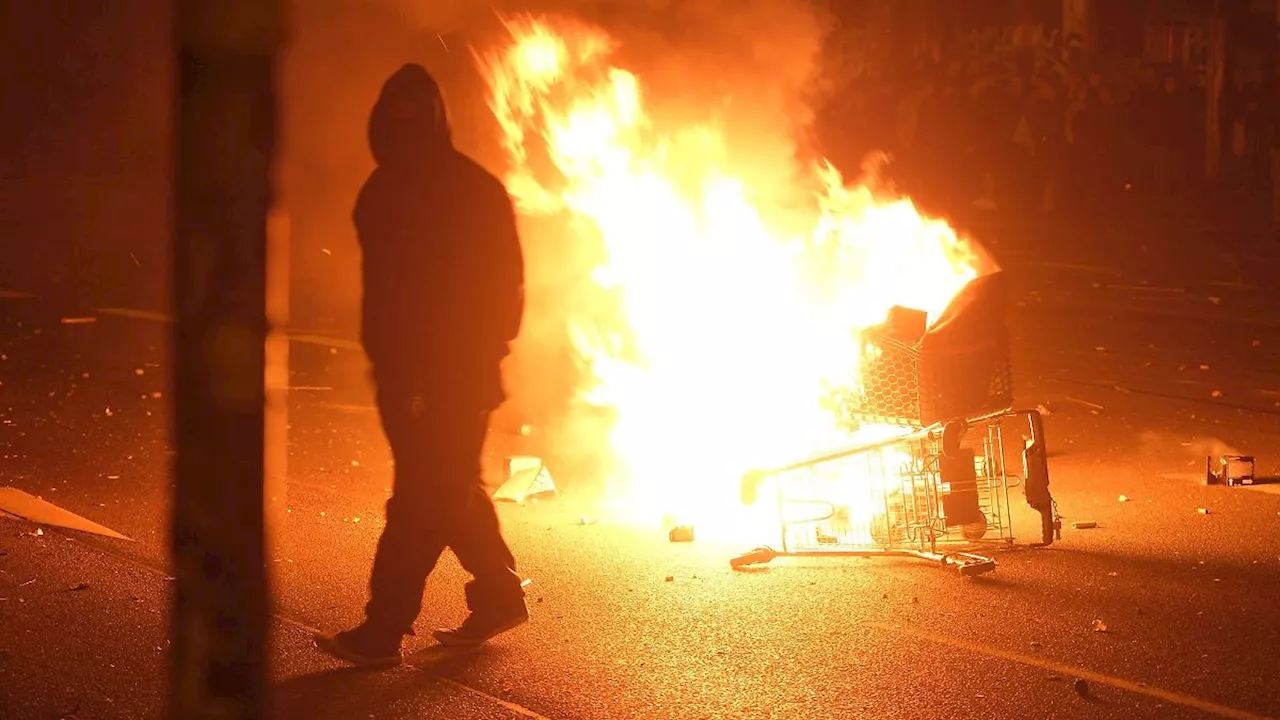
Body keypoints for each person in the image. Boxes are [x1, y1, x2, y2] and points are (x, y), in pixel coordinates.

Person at [314, 63, 528, 668]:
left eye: (413, 118)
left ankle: (383, 630)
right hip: (404, 374)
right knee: (449, 486)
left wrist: (483, 351)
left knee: (420, 496)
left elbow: (504, 286)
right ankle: (499, 594)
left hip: (455, 375)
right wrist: (388, 358)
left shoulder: (472, 189)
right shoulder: (381, 190)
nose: (403, 130)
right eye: (394, 118)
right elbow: (383, 289)